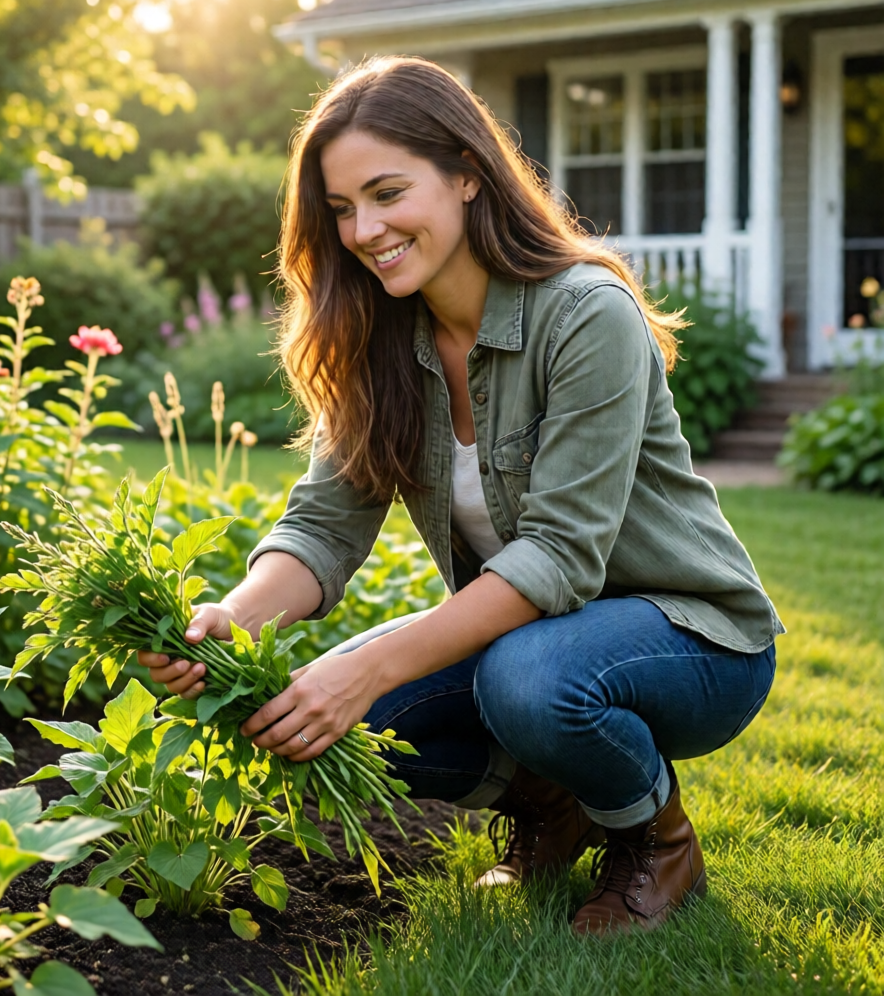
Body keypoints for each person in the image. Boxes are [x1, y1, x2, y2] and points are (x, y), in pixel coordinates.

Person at [138, 56, 782, 935]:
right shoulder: (377, 335)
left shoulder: (584, 313)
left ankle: (654, 839)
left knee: (520, 680)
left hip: (692, 640)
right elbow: (325, 524)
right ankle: (555, 803)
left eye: (387, 193)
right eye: (340, 209)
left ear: (468, 175)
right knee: (340, 722)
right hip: (545, 638)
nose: (364, 229)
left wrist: (361, 668)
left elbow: (558, 558)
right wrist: (239, 619)